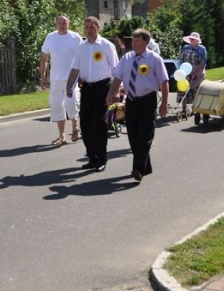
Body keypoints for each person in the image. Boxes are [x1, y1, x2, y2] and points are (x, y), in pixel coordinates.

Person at [106, 28, 169, 182]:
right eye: (133, 41)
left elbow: (164, 81)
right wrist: (111, 93)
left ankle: (138, 168)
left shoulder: (154, 59)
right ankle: (145, 167)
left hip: (148, 100)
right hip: (131, 100)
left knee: (145, 134)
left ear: (146, 42)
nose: (134, 44)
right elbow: (117, 78)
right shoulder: (127, 58)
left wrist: (164, 104)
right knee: (133, 135)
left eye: (137, 41)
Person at [66, 17, 119, 172]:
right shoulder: (81, 47)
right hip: (87, 89)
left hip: (103, 88)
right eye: (87, 27)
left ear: (98, 27)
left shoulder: (107, 46)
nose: (89, 30)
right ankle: (92, 157)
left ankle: (102, 158)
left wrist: (114, 91)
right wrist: (69, 86)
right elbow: (75, 68)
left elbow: (116, 70)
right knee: (85, 124)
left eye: (92, 27)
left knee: (99, 125)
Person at [40, 14, 82, 146]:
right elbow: (44, 59)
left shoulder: (75, 37)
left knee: (71, 103)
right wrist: (42, 77)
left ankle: (75, 127)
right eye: (59, 22)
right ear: (55, 24)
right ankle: (62, 136)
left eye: (64, 22)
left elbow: (83, 57)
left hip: (72, 78)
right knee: (57, 106)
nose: (62, 25)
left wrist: (82, 76)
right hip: (56, 78)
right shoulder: (50, 37)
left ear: (68, 23)